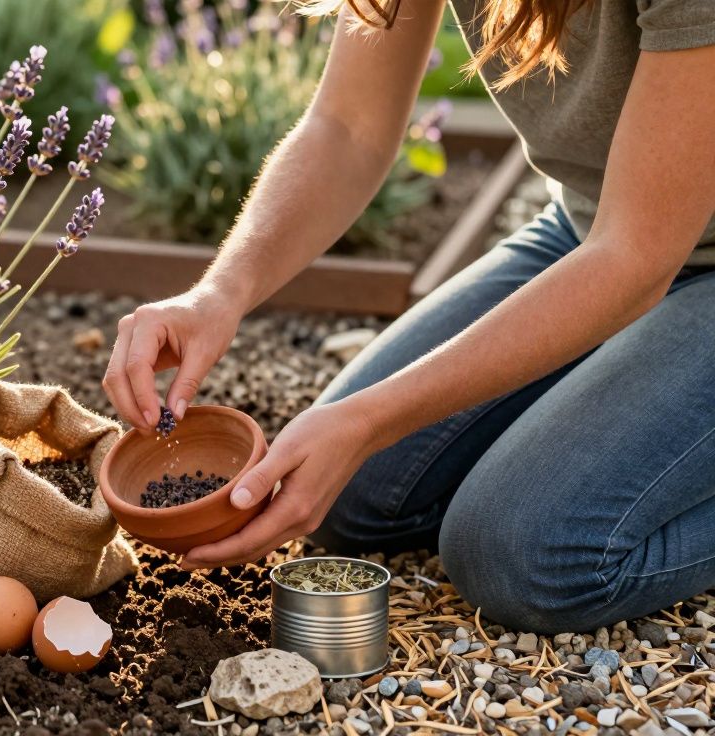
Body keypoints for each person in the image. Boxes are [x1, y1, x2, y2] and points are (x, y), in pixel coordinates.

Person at [102, 0, 715, 633]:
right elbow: (348, 127)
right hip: (594, 225)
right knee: (360, 496)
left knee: (523, 557)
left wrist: (369, 419)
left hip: (645, 246)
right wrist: (218, 294)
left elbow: (635, 258)